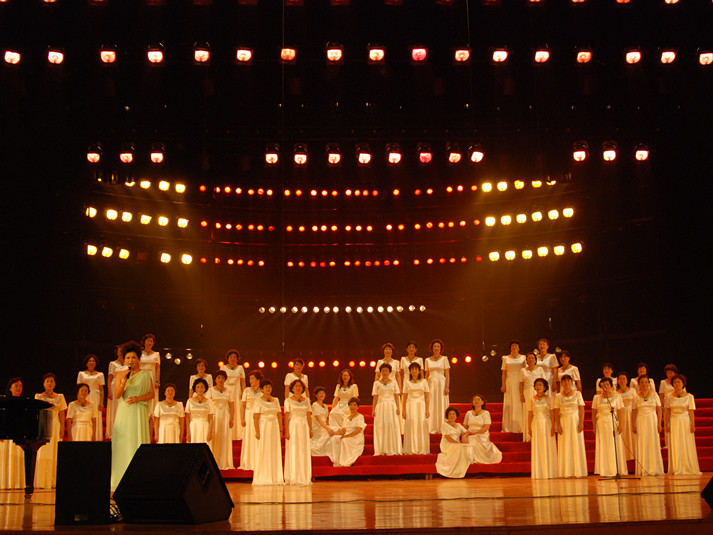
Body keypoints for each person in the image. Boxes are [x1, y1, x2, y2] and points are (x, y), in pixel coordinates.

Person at [111, 341, 153, 492]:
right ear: (124, 359)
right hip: (124, 412)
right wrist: (124, 381)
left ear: (138, 359)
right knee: (123, 445)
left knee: (137, 443)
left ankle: (138, 481)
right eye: (128, 358)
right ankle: (119, 481)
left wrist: (138, 399)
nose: (130, 360)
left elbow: (151, 394)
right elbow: (117, 395)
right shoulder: (120, 374)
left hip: (138, 411)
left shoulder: (145, 375)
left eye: (133, 357)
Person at [34, 372, 67, 489]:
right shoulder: (38, 396)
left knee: (54, 452)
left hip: (55, 425)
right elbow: (36, 413)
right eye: (47, 381)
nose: (49, 383)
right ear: (43, 384)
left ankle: (54, 481)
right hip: (43, 426)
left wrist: (62, 428)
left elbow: (62, 413)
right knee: (43, 451)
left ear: (55, 384)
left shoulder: (60, 397)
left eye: (51, 381)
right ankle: (41, 480)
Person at [664, 374, 701, 475]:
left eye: (679, 382)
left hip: (685, 421)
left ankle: (687, 466)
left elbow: (691, 412)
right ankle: (676, 467)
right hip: (674, 421)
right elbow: (667, 412)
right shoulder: (669, 397)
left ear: (683, 384)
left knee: (686, 443)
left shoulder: (689, 396)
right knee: (676, 443)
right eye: (675, 382)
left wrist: (692, 424)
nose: (677, 384)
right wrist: (666, 424)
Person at [591, 377, 628, 477]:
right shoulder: (596, 398)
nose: (605, 387)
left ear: (611, 386)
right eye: (603, 385)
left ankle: (615, 469)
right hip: (601, 423)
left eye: (607, 384)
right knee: (604, 445)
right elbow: (593, 413)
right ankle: (605, 470)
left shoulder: (617, 397)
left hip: (613, 423)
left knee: (614, 445)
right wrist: (594, 426)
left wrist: (621, 424)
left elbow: (620, 412)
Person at [553, 375, 587, 478]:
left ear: (572, 382)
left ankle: (578, 471)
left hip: (575, 421)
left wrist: (581, 423)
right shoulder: (558, 396)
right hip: (564, 421)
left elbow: (581, 409)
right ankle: (566, 471)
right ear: (561, 383)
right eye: (564, 381)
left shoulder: (577, 394)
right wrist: (558, 425)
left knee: (576, 444)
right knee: (565, 445)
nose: (566, 383)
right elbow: (556, 411)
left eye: (568, 381)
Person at [252, 379, 284, 485]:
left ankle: (275, 477)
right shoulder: (258, 401)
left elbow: (279, 415)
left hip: (274, 427)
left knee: (274, 450)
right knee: (264, 449)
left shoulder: (276, 400)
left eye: (269, 387)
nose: (268, 389)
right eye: (266, 387)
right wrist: (257, 431)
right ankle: (264, 476)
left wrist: (280, 430)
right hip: (264, 427)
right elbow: (255, 417)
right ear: (262, 389)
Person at [632, 375, 664, 476]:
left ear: (649, 384)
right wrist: (633, 424)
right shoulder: (635, 396)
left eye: (646, 382)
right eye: (642, 382)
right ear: (639, 384)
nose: (644, 384)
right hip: (641, 420)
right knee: (643, 442)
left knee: (652, 442)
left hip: (652, 420)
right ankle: (644, 468)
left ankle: (655, 468)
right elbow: (634, 411)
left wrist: (659, 423)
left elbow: (659, 410)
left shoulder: (654, 395)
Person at [284, 379, 313, 485]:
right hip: (293, 426)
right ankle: (293, 476)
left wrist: (311, 429)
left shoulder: (306, 400)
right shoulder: (288, 400)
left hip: (304, 426)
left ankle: (304, 476)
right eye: (296, 386)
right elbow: (286, 416)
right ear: (292, 388)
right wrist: (287, 430)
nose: (298, 388)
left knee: (303, 450)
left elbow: (309, 415)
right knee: (294, 449)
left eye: (300, 386)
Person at [528, 378, 557, 479]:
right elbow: (530, 414)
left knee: (547, 445)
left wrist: (553, 426)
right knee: (538, 446)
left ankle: (549, 472)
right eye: (537, 385)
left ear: (545, 387)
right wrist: (529, 427)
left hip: (546, 423)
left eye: (540, 385)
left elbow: (553, 413)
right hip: (536, 423)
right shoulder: (531, 399)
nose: (538, 387)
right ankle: (539, 472)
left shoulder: (550, 398)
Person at [372, 363, 402, 455]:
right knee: (381, 426)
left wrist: (398, 407)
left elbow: (396, 396)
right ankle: (381, 449)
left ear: (389, 372)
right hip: (380, 406)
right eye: (383, 371)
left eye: (386, 371)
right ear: (380, 372)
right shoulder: (376, 383)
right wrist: (373, 409)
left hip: (391, 406)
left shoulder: (394, 382)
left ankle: (393, 448)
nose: (384, 372)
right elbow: (375, 397)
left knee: (391, 425)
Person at [1, 378, 25, 489]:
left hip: (20, 433)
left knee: (18, 457)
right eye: (16, 386)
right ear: (10, 388)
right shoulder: (4, 401)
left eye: (20, 386)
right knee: (7, 458)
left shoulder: (25, 402)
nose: (18, 388)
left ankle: (18, 483)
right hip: (6, 433)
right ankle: (6, 483)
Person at [463, 394, 502, 464]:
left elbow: (487, 427)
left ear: (482, 402)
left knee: (473, 438)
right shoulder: (468, 413)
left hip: (482, 434)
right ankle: (470, 458)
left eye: (478, 400)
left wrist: (475, 433)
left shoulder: (486, 413)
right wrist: (465, 434)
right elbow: (465, 426)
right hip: (470, 433)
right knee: (468, 438)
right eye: (475, 400)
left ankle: (476, 459)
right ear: (472, 402)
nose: (476, 401)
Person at [435, 407, 472, 478]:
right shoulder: (445, 425)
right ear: (447, 416)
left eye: (453, 414)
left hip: (457, 444)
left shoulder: (459, 425)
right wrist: (457, 443)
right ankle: (455, 471)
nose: (452, 416)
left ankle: (461, 469)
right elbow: (448, 437)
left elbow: (467, 432)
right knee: (460, 447)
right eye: (450, 414)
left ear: (456, 415)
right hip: (447, 444)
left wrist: (464, 436)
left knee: (467, 446)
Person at [208, 371, 234, 470]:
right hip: (215, 415)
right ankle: (214, 461)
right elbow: (207, 405)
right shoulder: (210, 391)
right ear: (215, 379)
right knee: (215, 436)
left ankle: (224, 462)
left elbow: (231, 405)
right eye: (218, 378)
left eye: (222, 378)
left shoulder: (229, 391)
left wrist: (232, 418)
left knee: (224, 437)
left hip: (225, 415)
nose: (220, 380)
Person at [402, 362, 430, 454]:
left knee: (421, 424)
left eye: (416, 369)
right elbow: (404, 397)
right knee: (412, 424)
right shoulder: (407, 382)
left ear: (419, 371)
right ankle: (411, 448)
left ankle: (421, 448)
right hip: (410, 405)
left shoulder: (424, 381)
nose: (414, 371)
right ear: (410, 371)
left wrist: (427, 409)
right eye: (412, 369)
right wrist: (403, 410)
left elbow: (427, 396)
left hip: (421, 405)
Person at [76, 354, 105, 441]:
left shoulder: (100, 374)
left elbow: (101, 389)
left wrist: (101, 402)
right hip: (85, 395)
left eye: (93, 361)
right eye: (90, 361)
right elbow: (79, 388)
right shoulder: (81, 374)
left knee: (95, 416)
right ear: (86, 363)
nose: (91, 362)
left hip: (95, 396)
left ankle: (96, 437)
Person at [331, 398, 366, 467]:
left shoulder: (360, 416)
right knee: (335, 439)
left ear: (358, 407)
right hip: (347, 434)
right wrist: (337, 433)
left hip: (355, 436)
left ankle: (345, 461)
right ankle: (337, 461)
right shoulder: (346, 416)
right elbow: (344, 429)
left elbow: (358, 430)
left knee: (344, 440)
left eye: (354, 405)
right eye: (351, 405)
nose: (352, 407)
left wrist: (347, 436)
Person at [239, 370, 264, 470]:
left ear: (258, 380)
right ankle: (249, 461)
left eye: (252, 378)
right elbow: (243, 406)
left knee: (258, 436)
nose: (250, 381)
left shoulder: (262, 390)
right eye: (250, 379)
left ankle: (259, 461)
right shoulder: (247, 390)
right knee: (249, 436)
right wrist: (242, 418)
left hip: (260, 416)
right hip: (249, 415)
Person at [425, 339, 450, 433]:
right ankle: (431, 426)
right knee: (431, 403)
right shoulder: (427, 360)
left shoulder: (444, 359)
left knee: (441, 403)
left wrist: (447, 387)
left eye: (438, 346)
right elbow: (426, 375)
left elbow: (447, 374)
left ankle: (442, 426)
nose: (436, 348)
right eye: (435, 346)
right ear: (432, 348)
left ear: (441, 348)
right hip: (431, 383)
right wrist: (425, 387)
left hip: (441, 383)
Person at [501, 340, 525, 433]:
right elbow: (504, 373)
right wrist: (503, 385)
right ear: (510, 348)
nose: (514, 347)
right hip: (510, 381)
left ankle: (520, 426)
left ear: (519, 348)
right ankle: (508, 426)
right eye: (513, 346)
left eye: (516, 346)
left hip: (520, 381)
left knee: (519, 402)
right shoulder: (506, 358)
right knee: (510, 402)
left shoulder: (523, 358)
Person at [221, 349, 245, 441]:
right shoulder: (223, 368)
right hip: (226, 390)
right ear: (227, 358)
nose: (232, 359)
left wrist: (243, 392)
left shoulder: (240, 368)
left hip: (237, 391)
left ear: (237, 359)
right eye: (231, 357)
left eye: (234, 357)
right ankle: (227, 433)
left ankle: (237, 433)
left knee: (237, 410)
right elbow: (220, 380)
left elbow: (243, 382)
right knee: (227, 410)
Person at [520, 352, 545, 441]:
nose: (530, 360)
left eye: (532, 358)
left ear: (535, 360)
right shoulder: (523, 370)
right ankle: (528, 435)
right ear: (526, 360)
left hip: (538, 392)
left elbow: (544, 382)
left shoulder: (540, 369)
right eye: (529, 358)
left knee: (537, 412)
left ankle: (538, 435)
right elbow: (521, 384)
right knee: (528, 413)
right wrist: (521, 395)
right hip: (527, 392)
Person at [106, 345, 127, 439]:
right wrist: (109, 391)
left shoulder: (127, 363)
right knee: (115, 408)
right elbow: (110, 378)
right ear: (117, 352)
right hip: (115, 385)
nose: (121, 352)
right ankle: (113, 431)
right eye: (120, 350)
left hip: (125, 386)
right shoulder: (113, 364)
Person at [185, 378, 213, 445]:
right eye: (198, 387)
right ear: (195, 388)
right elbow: (187, 418)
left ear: (205, 388)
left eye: (201, 387)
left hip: (205, 426)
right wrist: (188, 432)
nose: (200, 389)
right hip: (193, 426)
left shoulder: (209, 402)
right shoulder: (190, 401)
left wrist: (210, 432)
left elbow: (211, 419)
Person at [311, 386, 336, 459]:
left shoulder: (325, 406)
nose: (322, 395)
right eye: (320, 393)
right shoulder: (315, 405)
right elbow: (319, 420)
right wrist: (327, 428)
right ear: (316, 395)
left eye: (323, 393)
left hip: (325, 426)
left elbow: (326, 419)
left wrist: (329, 426)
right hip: (318, 427)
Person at [615, 371, 636, 461]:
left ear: (627, 380)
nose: (622, 381)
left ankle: (633, 454)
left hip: (630, 412)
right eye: (620, 379)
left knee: (631, 433)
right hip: (620, 414)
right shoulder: (615, 393)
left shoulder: (633, 390)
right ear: (617, 381)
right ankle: (623, 454)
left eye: (624, 379)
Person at [139, 333, 160, 412]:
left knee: (152, 395)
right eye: (148, 341)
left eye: (151, 341)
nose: (149, 343)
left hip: (152, 376)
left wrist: (157, 381)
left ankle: (152, 414)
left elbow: (158, 368)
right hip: (141, 375)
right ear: (144, 342)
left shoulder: (156, 354)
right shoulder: (140, 353)